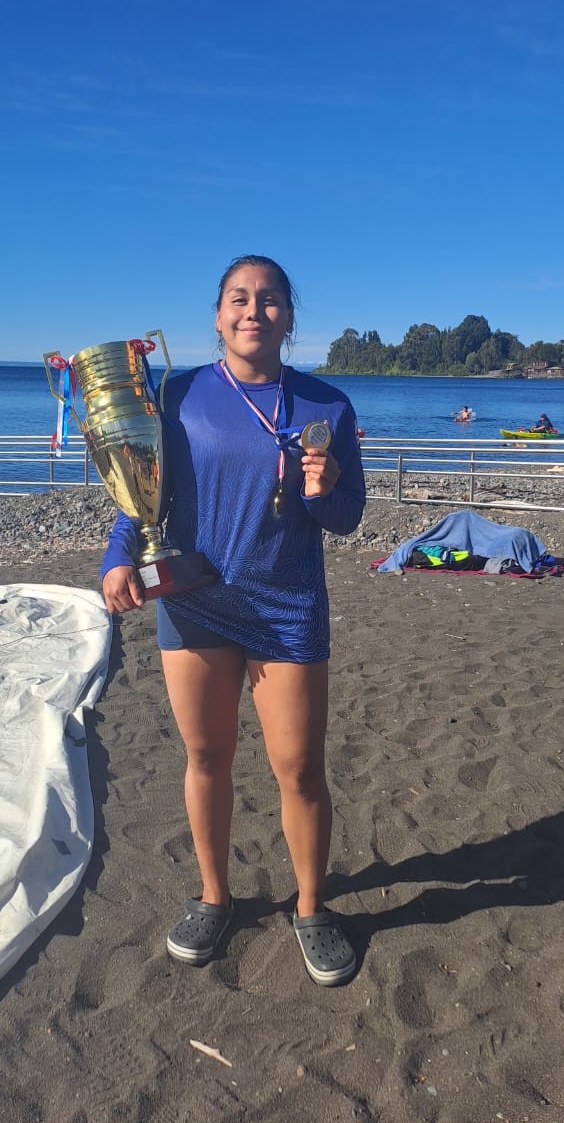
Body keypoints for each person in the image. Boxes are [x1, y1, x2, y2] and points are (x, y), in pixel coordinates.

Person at [101, 255, 366, 986]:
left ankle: (312, 909)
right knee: (207, 757)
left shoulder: (328, 406)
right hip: (196, 599)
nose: (255, 310)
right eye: (239, 299)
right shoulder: (177, 394)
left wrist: (325, 488)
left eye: (270, 299)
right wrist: (117, 558)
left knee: (301, 769)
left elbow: (346, 519)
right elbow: (140, 493)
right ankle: (215, 896)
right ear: (217, 316)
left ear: (288, 315)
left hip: (288, 605)